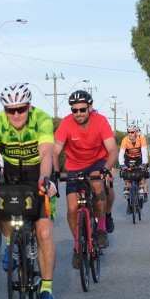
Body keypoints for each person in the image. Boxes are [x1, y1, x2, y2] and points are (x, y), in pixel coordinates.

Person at [0, 84, 59, 299]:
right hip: (12, 175)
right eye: (10, 110)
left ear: (29, 106)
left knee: (44, 232)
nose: (16, 114)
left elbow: (46, 153)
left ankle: (46, 289)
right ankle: (10, 242)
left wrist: (44, 179)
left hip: (38, 174)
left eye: (21, 109)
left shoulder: (41, 119)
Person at [53, 90, 117, 268]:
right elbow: (55, 151)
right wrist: (56, 172)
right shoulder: (66, 123)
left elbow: (112, 150)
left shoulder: (100, 121)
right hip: (74, 166)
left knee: (98, 187)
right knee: (72, 208)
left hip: (97, 162)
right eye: (74, 110)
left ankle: (101, 228)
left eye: (82, 109)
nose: (78, 113)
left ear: (90, 107)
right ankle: (78, 245)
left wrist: (105, 169)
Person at [119, 125, 149, 200]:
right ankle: (127, 187)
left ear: (136, 132)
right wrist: (122, 164)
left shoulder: (141, 138)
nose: (130, 134)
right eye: (128, 132)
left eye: (132, 132)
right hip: (128, 158)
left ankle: (141, 188)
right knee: (125, 173)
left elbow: (144, 151)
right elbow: (121, 153)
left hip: (139, 158)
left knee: (142, 173)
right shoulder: (125, 140)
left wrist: (144, 163)